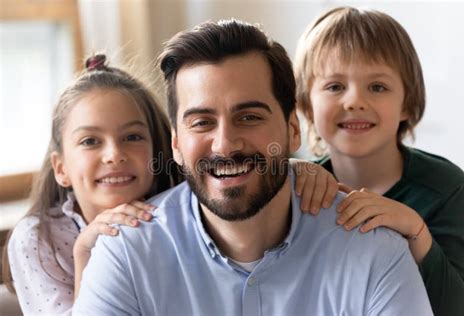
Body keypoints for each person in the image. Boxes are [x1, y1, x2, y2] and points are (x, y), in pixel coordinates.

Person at [73, 19, 432, 315]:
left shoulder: (375, 252)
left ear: (293, 130)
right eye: (201, 122)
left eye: (249, 116)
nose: (226, 144)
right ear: (176, 144)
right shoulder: (125, 255)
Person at [2, 54, 334, 315]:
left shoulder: (187, 210)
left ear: (165, 148)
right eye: (90, 141)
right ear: (61, 168)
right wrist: (84, 254)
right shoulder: (38, 239)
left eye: (132, 137)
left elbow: (236, 171)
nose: (114, 155)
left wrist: (294, 170)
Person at [293, 6, 464, 316]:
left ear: (408, 103)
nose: (355, 101)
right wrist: (288, 172)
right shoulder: (300, 186)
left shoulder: (446, 187)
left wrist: (414, 228)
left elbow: (458, 309)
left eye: (377, 87)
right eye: (335, 86)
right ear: (307, 107)